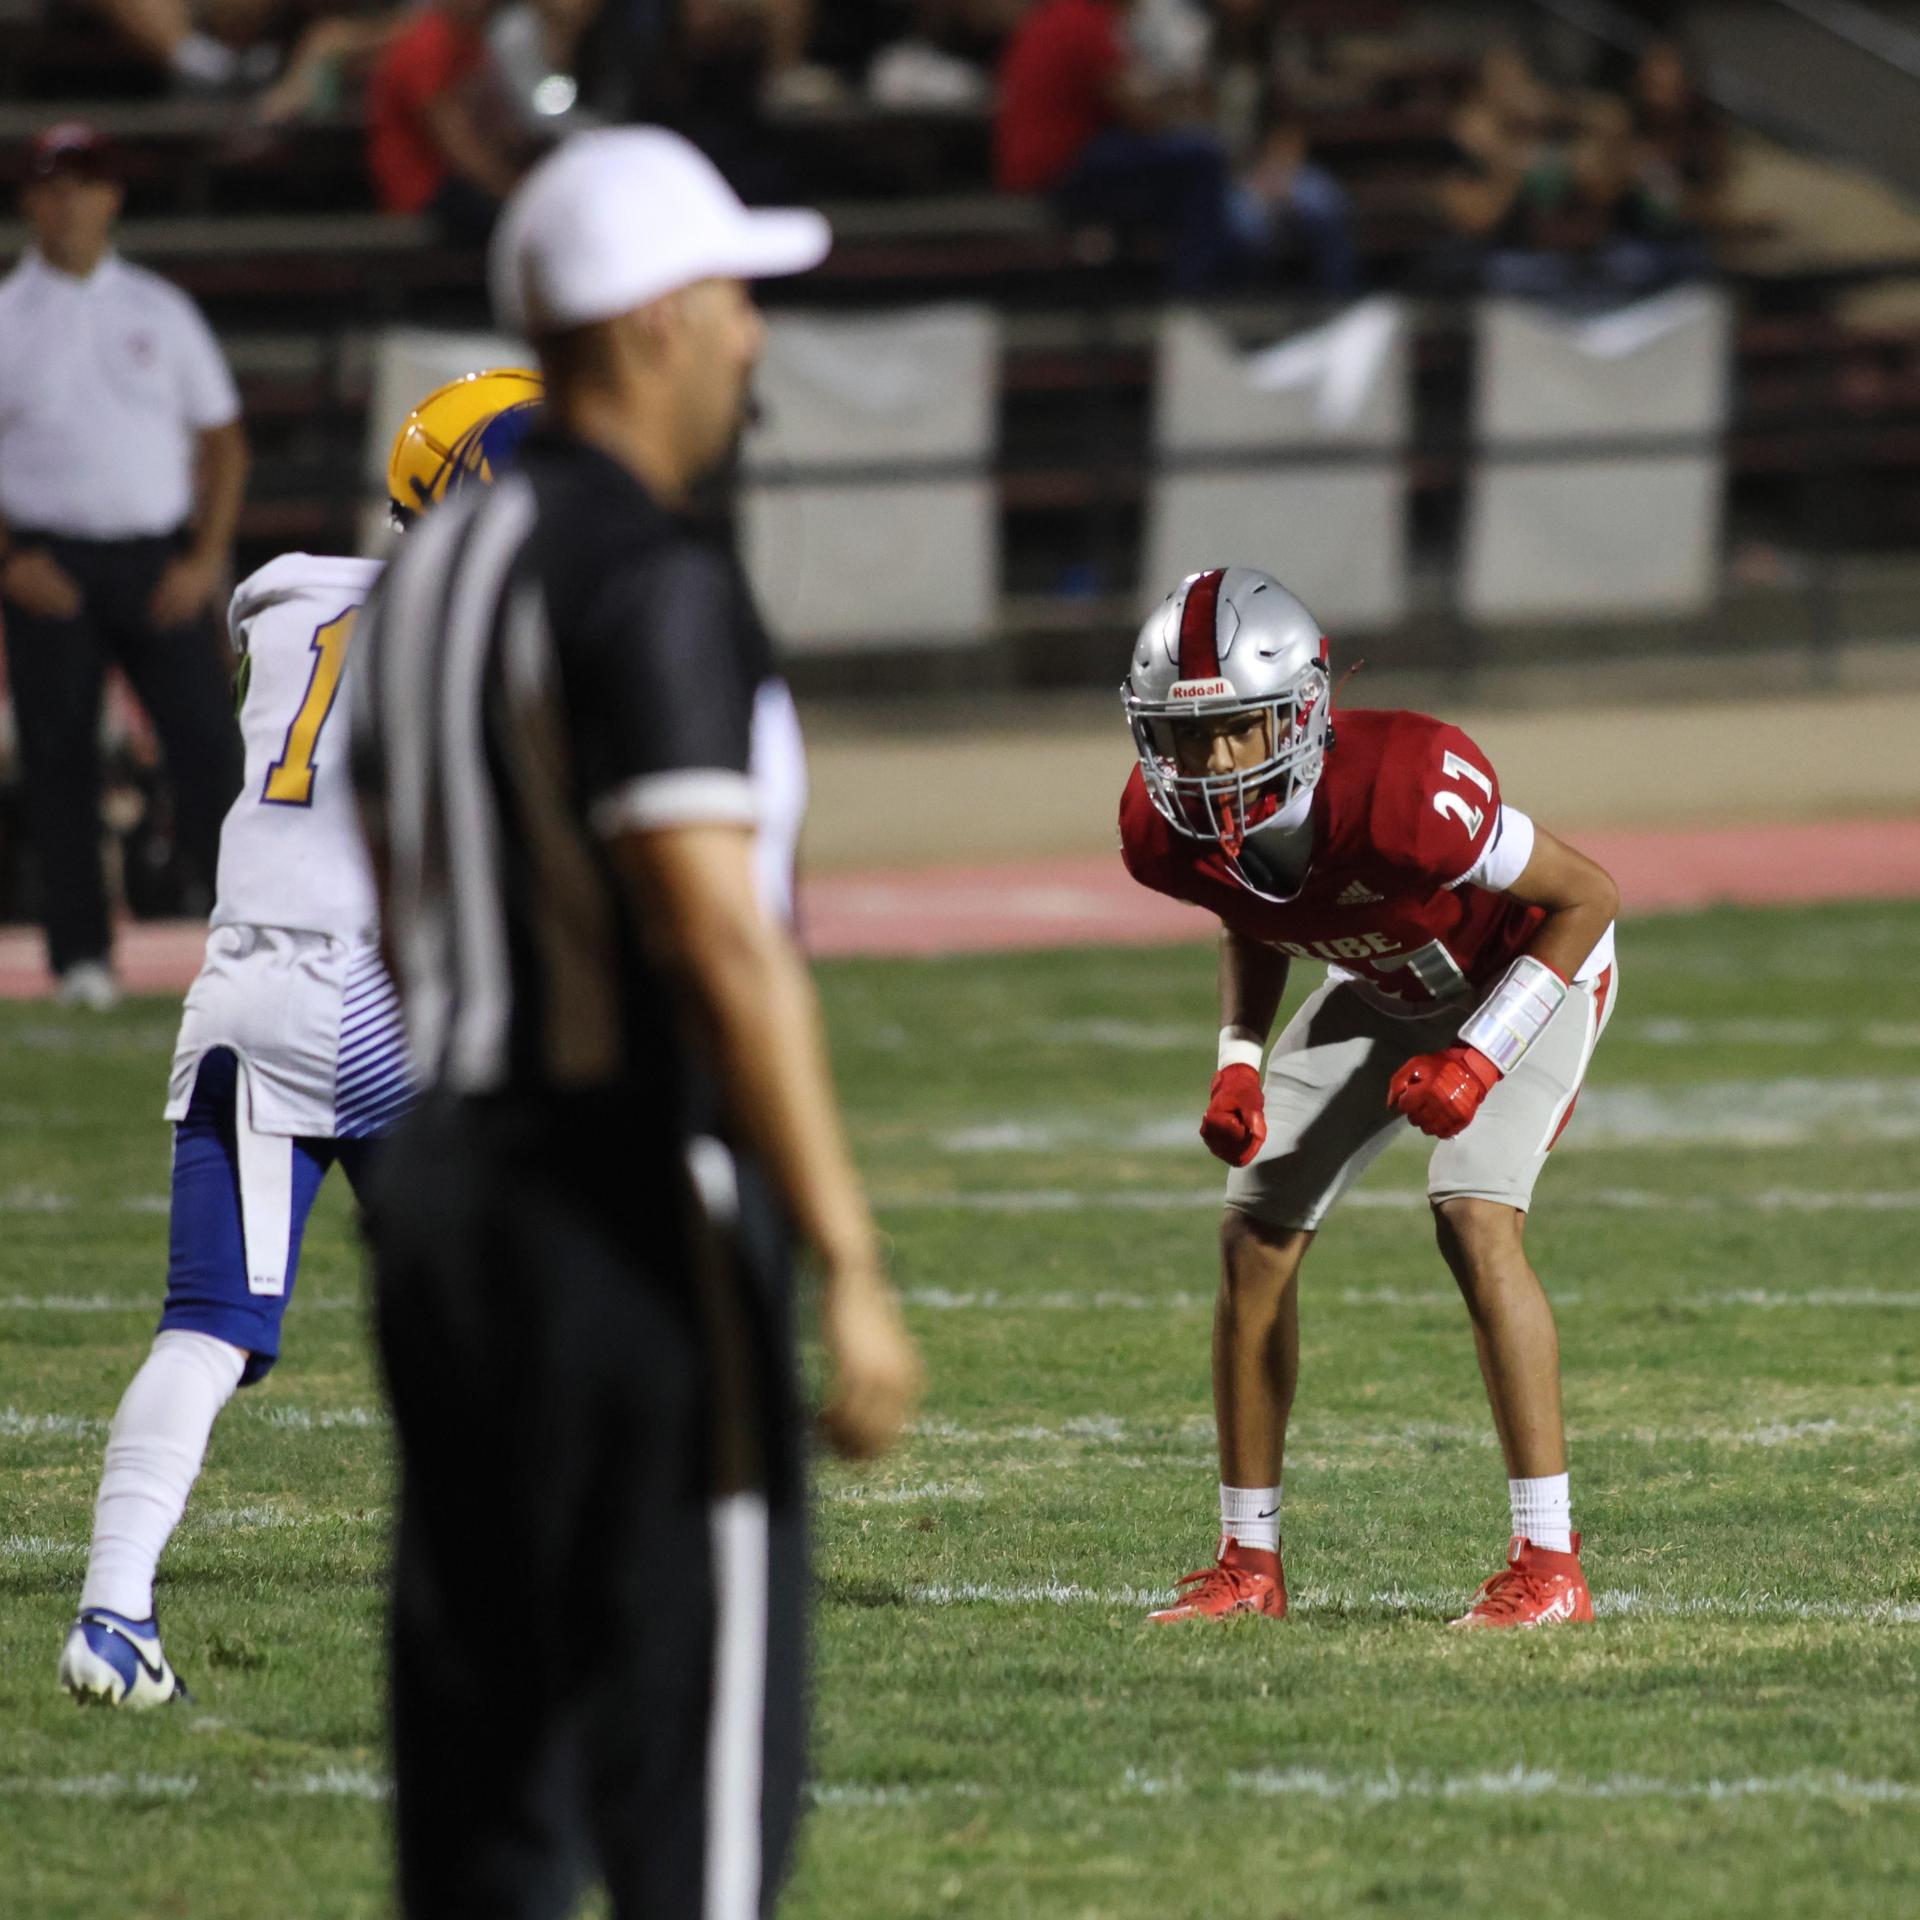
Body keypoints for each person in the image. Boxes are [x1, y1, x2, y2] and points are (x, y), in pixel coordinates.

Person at [350, 127, 922, 1917]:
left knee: (485, 1769)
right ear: (655, 320)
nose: (755, 337)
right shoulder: (648, 574)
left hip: (441, 1189)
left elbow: (395, 856)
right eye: (737, 297)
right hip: (626, 1200)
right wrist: (845, 1252)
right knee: (698, 1789)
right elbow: (716, 935)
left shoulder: (431, 573)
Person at [54, 369, 544, 1709]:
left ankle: (111, 1606)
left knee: (206, 1324)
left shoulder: (286, 595)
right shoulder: (496, 618)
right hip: (377, 999)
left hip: (238, 992)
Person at [1118, 566, 1619, 1629]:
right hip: (1386, 985)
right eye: (1179, 736)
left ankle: (1550, 1565)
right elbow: (1252, 914)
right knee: (1253, 1227)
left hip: (1531, 978)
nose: (1204, 764)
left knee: (1474, 1213)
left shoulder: (1407, 787)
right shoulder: (1162, 834)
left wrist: (1480, 1060)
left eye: (1235, 732)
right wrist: (1239, 1057)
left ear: (1300, 711)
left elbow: (1587, 897)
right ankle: (1248, 1567)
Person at [0, 121, 248, 1010]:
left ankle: (248, 944)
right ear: (31, 199)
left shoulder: (159, 310)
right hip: (47, 564)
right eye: (52, 185)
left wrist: (205, 557)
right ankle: (81, 960)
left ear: (113, 197)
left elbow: (223, 442)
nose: (68, 202)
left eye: (85, 184)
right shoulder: (5, 316)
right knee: (60, 760)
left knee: (209, 753)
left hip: (157, 561)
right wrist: (10, 561)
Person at [994, 0, 1240, 291]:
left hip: (1047, 161)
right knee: (1203, 156)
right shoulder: (1083, 22)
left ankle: (1143, 283)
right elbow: (1139, 116)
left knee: (1177, 172)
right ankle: (1192, 293)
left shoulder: (1058, 15)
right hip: (1058, 167)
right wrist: (1181, 102)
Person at [366, 0, 523, 243]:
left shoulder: (471, 41)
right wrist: (514, 190)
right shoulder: (427, 43)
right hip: (422, 189)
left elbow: (496, 124)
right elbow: (457, 147)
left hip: (460, 180)